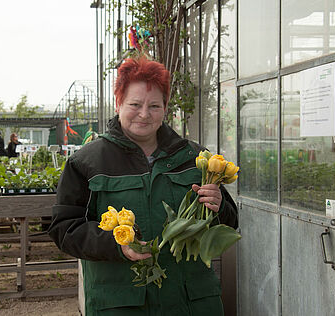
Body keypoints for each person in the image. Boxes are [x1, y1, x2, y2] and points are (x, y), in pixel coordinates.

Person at [48, 56, 238, 315]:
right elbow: (64, 228)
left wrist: (218, 206)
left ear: (166, 107)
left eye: (154, 106)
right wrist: (117, 244)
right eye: (135, 104)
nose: (144, 114)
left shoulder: (196, 159)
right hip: (121, 303)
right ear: (118, 103)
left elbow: (230, 222)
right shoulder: (88, 162)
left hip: (190, 303)